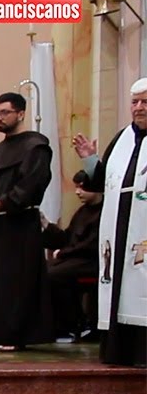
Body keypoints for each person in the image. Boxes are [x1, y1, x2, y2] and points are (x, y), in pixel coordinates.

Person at [0, 92, 53, 352]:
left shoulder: (36, 147)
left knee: (15, 282)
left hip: (20, 225)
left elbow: (31, 185)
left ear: (21, 114)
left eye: (5, 112)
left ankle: (13, 334)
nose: (0, 118)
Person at [73, 77, 147, 367]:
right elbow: (103, 182)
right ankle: (120, 351)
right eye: (134, 102)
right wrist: (91, 161)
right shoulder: (122, 139)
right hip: (118, 228)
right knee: (119, 285)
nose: (138, 108)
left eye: (145, 102)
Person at [41, 171, 103, 342]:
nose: (77, 192)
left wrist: (63, 253)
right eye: (76, 187)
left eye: (82, 188)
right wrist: (46, 225)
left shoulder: (104, 213)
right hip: (74, 260)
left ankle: (70, 326)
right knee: (41, 270)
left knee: (53, 276)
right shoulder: (82, 211)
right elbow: (66, 237)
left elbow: (91, 245)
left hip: (90, 263)